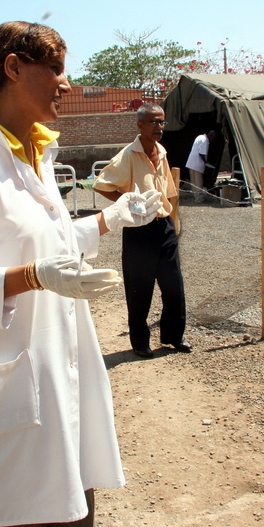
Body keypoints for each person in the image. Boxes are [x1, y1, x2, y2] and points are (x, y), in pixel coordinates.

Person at [0, 21, 162, 527]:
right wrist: (31, 278)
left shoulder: (35, 153)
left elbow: (46, 245)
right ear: (13, 68)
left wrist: (109, 218)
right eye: (54, 68)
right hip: (6, 395)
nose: (66, 82)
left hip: (57, 386)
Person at [94, 104, 191, 358]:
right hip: (139, 229)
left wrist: (173, 219)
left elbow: (169, 191)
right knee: (139, 288)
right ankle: (140, 342)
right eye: (153, 122)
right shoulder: (128, 154)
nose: (159, 127)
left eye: (161, 122)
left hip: (164, 227)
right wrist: (127, 202)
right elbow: (101, 184)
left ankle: (173, 336)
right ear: (140, 125)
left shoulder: (162, 152)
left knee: (173, 284)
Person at [185, 129, 217, 202]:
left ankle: (196, 196)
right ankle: (199, 198)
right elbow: (202, 154)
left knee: (193, 181)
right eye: (213, 138)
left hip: (191, 162)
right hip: (197, 164)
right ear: (211, 135)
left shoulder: (200, 137)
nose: (212, 140)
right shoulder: (205, 140)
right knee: (198, 181)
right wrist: (206, 162)